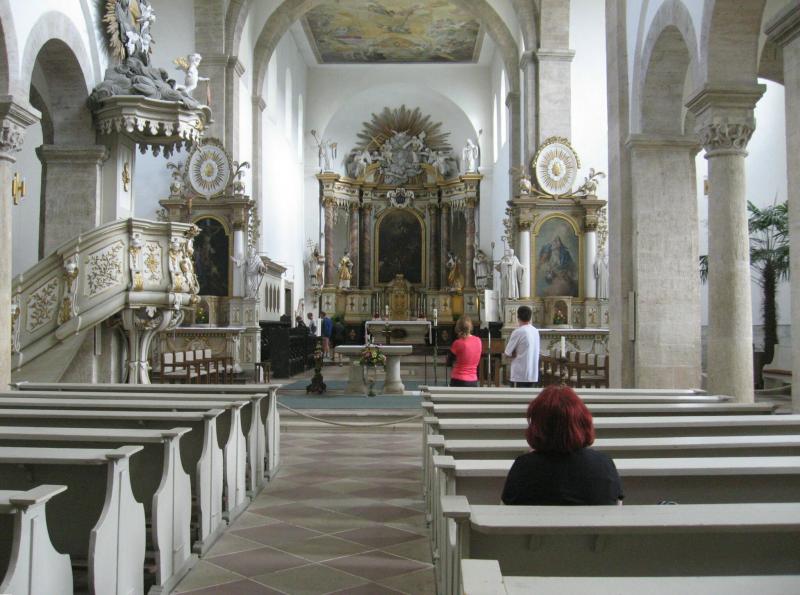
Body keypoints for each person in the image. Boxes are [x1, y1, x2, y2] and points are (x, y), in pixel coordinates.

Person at [501, 385, 624, 505]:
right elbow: (617, 508)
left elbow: (505, 510)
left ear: (537, 426)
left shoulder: (523, 467)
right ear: (583, 421)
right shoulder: (604, 465)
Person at [504, 305, 540, 388]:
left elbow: (507, 353)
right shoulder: (535, 331)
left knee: (517, 396)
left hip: (520, 375)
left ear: (518, 317)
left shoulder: (518, 332)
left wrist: (512, 353)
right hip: (533, 374)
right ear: (530, 317)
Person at [447, 315, 482, 387]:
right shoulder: (478, 341)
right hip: (473, 380)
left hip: (458, 380)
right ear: (470, 327)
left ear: (458, 328)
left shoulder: (457, 343)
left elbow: (449, 362)